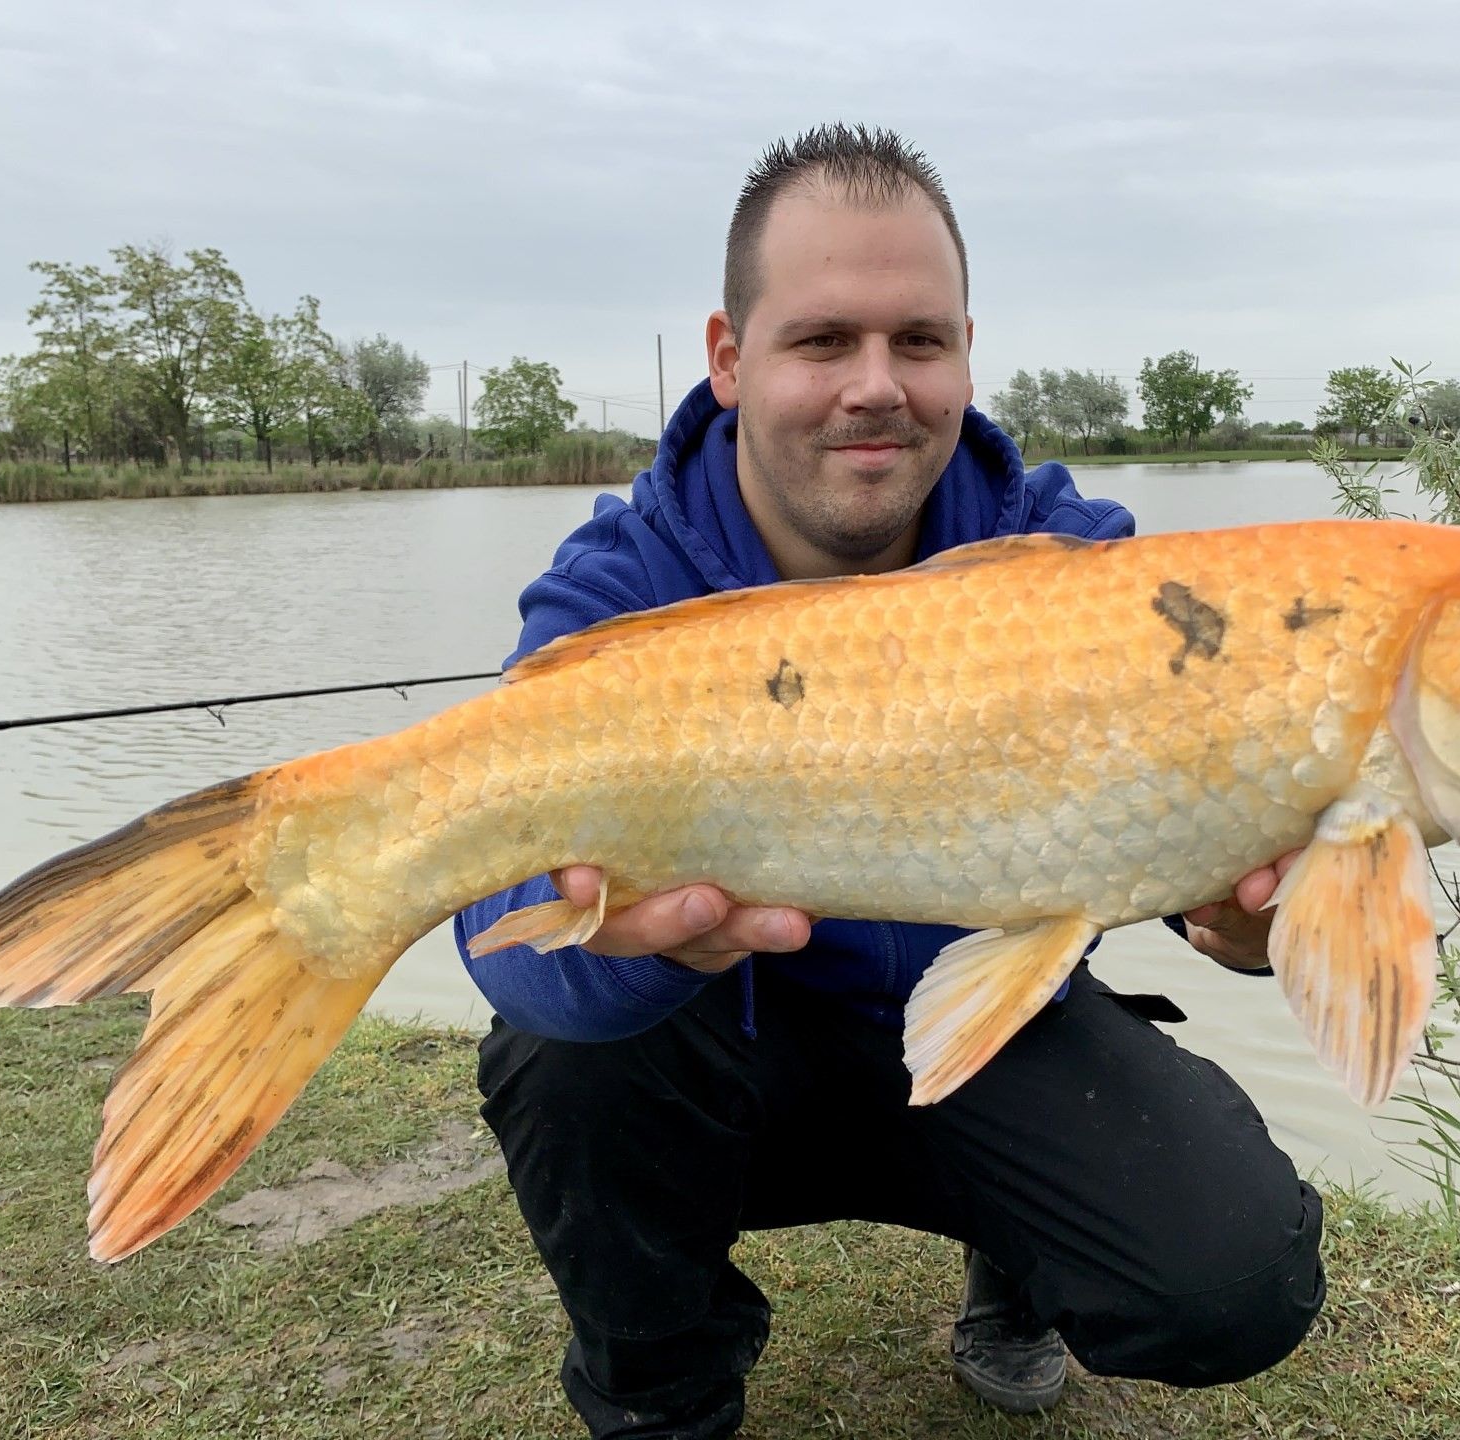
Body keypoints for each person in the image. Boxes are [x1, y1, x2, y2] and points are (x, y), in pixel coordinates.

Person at [457, 124, 1325, 1440]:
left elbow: (1192, 858)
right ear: (729, 358)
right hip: (731, 1049)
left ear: (967, 351)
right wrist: (638, 948)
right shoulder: (621, 585)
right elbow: (498, 929)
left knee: (1239, 1279)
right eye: (823, 341)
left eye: (921, 342)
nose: (880, 385)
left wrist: (1252, 926)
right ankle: (663, 1388)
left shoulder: (1083, 570)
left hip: (990, 1022)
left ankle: (1018, 1271)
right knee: (559, 1062)